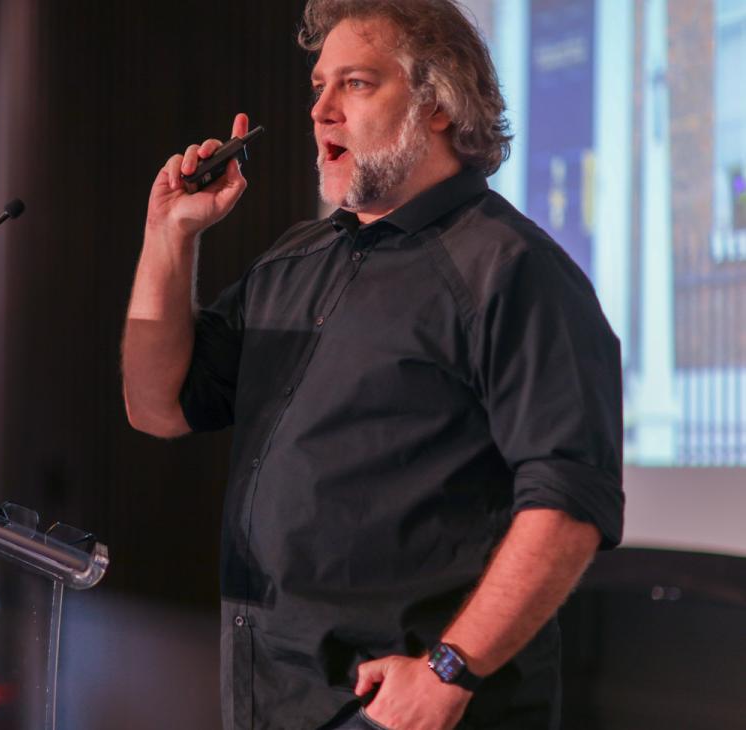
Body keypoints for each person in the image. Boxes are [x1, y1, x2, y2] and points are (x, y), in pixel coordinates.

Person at [120, 1, 624, 728]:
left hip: (410, 709)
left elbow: (570, 503)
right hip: (273, 700)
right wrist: (167, 235)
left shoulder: (513, 270)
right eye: (318, 87)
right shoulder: (293, 262)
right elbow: (157, 405)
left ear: (438, 104)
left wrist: (449, 670)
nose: (320, 109)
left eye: (355, 83)